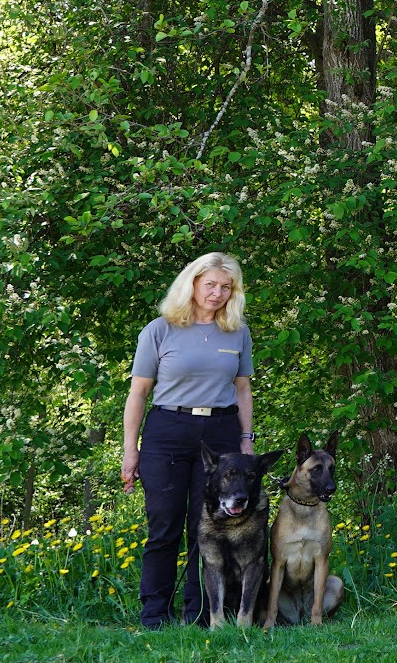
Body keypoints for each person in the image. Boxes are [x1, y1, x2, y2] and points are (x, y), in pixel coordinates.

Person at [121, 251, 258, 629]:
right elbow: (138, 394)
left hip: (220, 434)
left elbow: (243, 389)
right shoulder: (159, 329)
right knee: (164, 525)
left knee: (208, 529)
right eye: (209, 284)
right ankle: (154, 615)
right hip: (168, 430)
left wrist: (246, 441)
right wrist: (129, 450)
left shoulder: (238, 332)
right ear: (192, 283)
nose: (216, 293)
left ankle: (200, 615)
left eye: (225, 287)